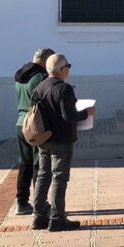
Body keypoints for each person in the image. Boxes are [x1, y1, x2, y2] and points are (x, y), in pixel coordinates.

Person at [30, 53, 95, 232]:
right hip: (61, 140)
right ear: (61, 69)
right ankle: (57, 218)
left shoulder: (39, 87)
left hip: (44, 138)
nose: (69, 70)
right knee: (59, 177)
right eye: (68, 66)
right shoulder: (64, 89)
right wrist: (87, 113)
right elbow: (69, 116)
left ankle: (39, 216)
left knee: (43, 175)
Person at [13, 47, 54, 216]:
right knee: (40, 164)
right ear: (46, 61)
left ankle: (21, 202)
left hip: (21, 122)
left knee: (25, 164)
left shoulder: (20, 76)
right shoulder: (40, 77)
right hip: (36, 124)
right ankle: (40, 203)